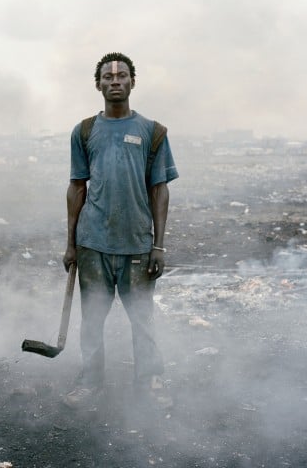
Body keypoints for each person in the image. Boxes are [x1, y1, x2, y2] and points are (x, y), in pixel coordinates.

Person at [62, 52, 179, 409]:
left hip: (137, 246)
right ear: (98, 84)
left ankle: (150, 382)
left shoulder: (152, 132)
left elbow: (160, 189)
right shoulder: (84, 131)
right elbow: (76, 187)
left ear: (132, 82)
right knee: (92, 319)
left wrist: (158, 246)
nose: (115, 80)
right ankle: (90, 383)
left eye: (122, 75)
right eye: (108, 76)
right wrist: (71, 245)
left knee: (142, 320)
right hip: (93, 244)